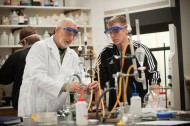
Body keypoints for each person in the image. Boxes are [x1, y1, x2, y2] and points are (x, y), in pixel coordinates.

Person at [18, 18, 98, 117]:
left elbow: (79, 76)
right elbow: (37, 76)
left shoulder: (72, 54)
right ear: (57, 30)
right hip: (35, 107)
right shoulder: (39, 47)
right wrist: (65, 86)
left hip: (57, 111)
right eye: (68, 33)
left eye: (74, 35)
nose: (71, 38)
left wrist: (88, 86)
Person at [94, 15, 161, 111]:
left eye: (116, 31)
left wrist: (152, 106)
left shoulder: (140, 50)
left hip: (139, 108)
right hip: (115, 110)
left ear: (126, 29)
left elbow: (154, 76)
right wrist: (98, 107)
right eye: (110, 32)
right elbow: (98, 80)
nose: (113, 36)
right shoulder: (107, 52)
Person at [0, 26, 40, 110]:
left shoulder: (17, 56)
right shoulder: (48, 55)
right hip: (45, 103)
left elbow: (3, 78)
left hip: (23, 103)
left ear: (24, 41)